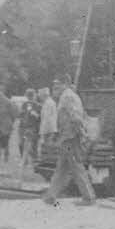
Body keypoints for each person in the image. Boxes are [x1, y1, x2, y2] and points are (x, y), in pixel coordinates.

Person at [41, 77, 96, 205]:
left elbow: (76, 117)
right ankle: (51, 196)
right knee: (62, 168)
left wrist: (80, 134)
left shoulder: (67, 97)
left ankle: (89, 197)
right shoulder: (68, 95)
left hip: (70, 137)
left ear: (65, 84)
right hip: (67, 137)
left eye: (58, 85)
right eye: (54, 86)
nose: (55, 89)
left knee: (75, 167)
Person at [17, 89, 42, 163]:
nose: (29, 97)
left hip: (32, 127)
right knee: (21, 144)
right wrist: (21, 114)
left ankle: (34, 159)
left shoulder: (38, 105)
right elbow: (20, 115)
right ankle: (24, 160)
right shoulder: (24, 104)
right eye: (28, 95)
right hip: (22, 127)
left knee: (33, 145)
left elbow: (40, 118)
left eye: (31, 95)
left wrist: (35, 114)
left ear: (34, 96)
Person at [38, 85, 59, 152]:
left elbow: (46, 119)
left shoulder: (48, 103)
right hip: (51, 129)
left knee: (47, 148)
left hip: (48, 130)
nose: (39, 98)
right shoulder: (50, 102)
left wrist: (42, 134)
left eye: (40, 96)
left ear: (44, 95)